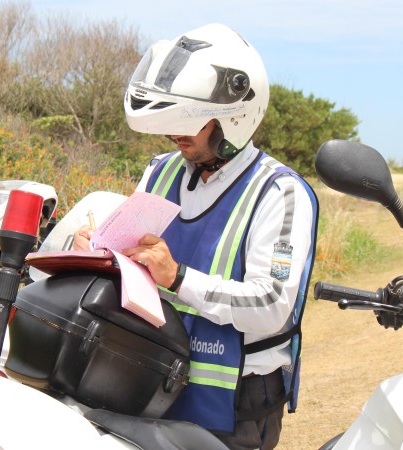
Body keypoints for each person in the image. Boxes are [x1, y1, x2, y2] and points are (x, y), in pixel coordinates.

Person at [73, 23, 318, 450]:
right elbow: (134, 256)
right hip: (149, 373)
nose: (175, 136)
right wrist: (98, 253)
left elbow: (271, 304)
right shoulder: (160, 170)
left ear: (234, 118)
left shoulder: (279, 193)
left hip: (232, 401)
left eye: (190, 125)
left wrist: (179, 277)